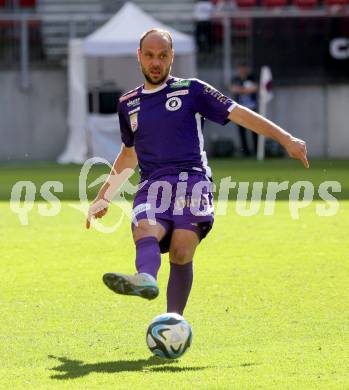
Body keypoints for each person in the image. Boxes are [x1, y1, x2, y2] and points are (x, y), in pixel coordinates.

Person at [86, 28, 308, 316]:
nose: (156, 62)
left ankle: (172, 321)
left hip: (192, 182)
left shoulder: (192, 90)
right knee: (145, 229)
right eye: (150, 56)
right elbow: (129, 154)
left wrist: (285, 138)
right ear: (139, 56)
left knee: (181, 248)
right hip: (153, 185)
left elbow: (238, 112)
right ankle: (146, 280)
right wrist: (104, 196)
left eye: (163, 56)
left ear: (172, 57)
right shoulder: (128, 103)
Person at [230, 62, 259, 156]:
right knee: (241, 131)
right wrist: (245, 90)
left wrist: (242, 90)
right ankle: (245, 152)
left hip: (252, 108)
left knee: (255, 130)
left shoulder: (252, 78)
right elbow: (233, 89)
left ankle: (256, 150)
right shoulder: (236, 79)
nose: (243, 70)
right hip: (239, 109)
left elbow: (254, 88)